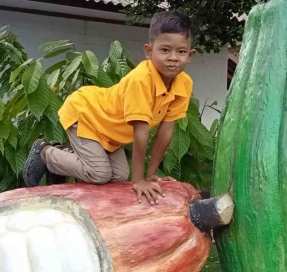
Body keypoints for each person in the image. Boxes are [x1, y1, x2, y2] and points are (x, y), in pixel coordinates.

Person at [23, 10, 195, 205]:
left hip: (110, 132)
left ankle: (65, 161)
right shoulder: (141, 80)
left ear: (190, 55)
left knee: (119, 177)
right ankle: (45, 152)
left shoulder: (184, 84)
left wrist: (151, 175)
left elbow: (166, 130)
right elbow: (141, 132)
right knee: (99, 174)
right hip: (87, 114)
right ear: (149, 51)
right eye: (165, 50)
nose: (173, 57)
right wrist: (139, 180)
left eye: (181, 52)